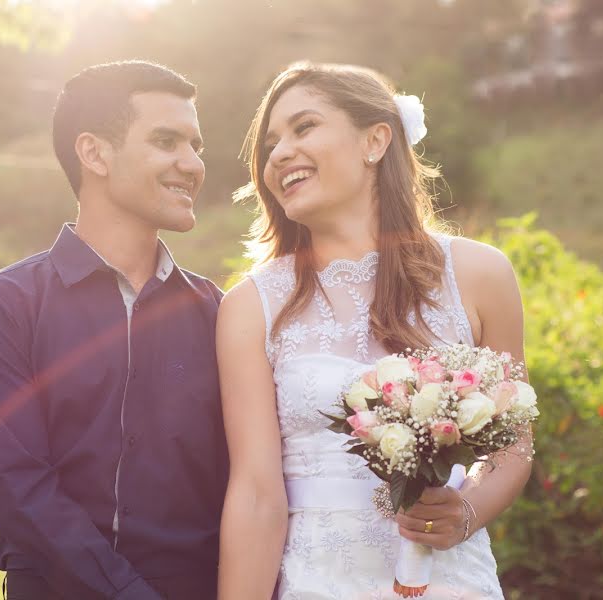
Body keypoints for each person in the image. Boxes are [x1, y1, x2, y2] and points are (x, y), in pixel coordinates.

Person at [216, 61, 532, 599]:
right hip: (318, 583)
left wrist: (467, 509)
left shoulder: (481, 274)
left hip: (452, 582)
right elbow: (255, 495)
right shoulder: (250, 305)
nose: (279, 153)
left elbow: (514, 443)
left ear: (376, 140)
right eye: (271, 143)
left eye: (304, 127)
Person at [0, 60, 227, 600]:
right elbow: (19, 489)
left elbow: (255, 476)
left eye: (196, 145)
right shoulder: (0, 306)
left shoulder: (220, 312)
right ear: (94, 153)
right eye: (167, 140)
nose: (193, 164)